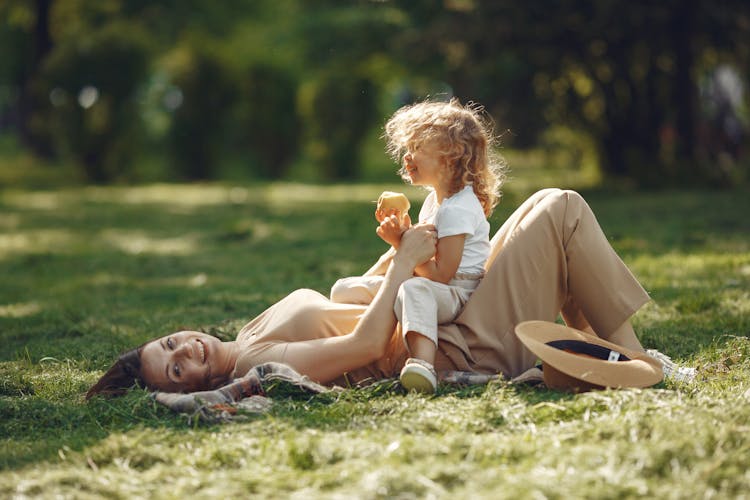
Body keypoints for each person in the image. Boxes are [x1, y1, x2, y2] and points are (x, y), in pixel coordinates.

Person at [87, 186, 652, 399]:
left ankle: (611, 354)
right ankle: (639, 362)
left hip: (445, 312)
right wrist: (407, 263)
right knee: (560, 211)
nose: (185, 352)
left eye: (170, 345)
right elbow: (360, 345)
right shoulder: (259, 359)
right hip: (462, 344)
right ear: (199, 385)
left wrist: (393, 251)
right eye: (178, 371)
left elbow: (358, 300)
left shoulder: (246, 333)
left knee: (545, 205)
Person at [331, 99, 505, 393]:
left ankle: (422, 365)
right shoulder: (434, 200)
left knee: (412, 290)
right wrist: (404, 234)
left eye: (417, 149)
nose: (407, 157)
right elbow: (425, 251)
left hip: (458, 294)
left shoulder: (458, 208)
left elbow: (440, 275)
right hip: (432, 285)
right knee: (343, 289)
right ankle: (359, 338)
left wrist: (403, 243)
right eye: (407, 149)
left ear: (451, 157)